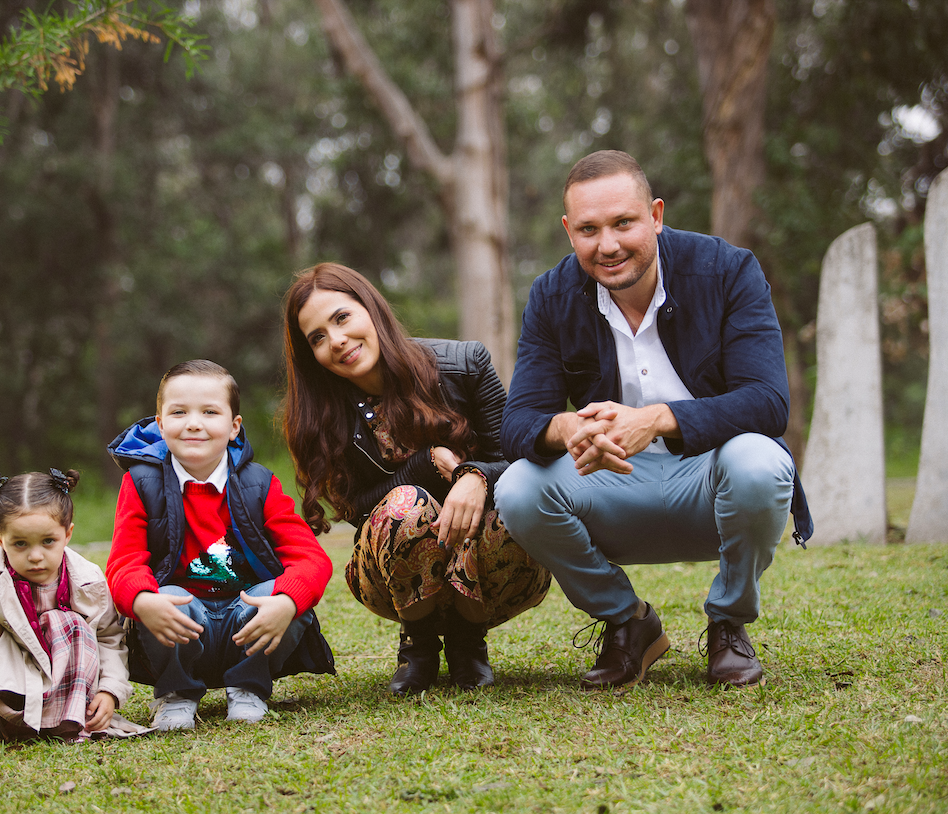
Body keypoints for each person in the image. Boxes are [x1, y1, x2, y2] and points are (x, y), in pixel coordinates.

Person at [495, 150, 813, 690]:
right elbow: (518, 422)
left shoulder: (729, 270)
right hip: (613, 485)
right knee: (519, 488)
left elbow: (767, 403)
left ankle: (728, 622)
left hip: (712, 483)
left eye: (624, 223)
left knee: (759, 460)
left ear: (656, 216)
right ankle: (628, 623)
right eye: (590, 230)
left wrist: (658, 418)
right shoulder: (552, 295)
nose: (609, 245)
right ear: (569, 232)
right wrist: (569, 428)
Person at [281, 263, 551, 696]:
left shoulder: (465, 364)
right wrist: (424, 465)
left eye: (342, 318)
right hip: (393, 581)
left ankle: (468, 643)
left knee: (504, 507)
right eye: (317, 337)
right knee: (405, 502)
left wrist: (473, 476)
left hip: (497, 569)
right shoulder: (321, 415)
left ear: (371, 309)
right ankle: (418, 646)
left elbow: (523, 461)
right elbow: (356, 510)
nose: (336, 341)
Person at [106, 360, 335, 731]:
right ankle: (176, 693)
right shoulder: (141, 483)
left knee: (286, 595)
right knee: (163, 593)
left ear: (234, 427)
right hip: (182, 620)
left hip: (246, 620)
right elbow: (124, 562)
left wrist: (286, 601)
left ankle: (248, 685)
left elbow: (312, 559)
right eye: (179, 412)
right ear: (161, 425)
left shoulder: (259, 483)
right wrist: (141, 600)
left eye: (210, 412)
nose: (194, 422)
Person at [0, 469, 139, 752]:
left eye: (48, 541)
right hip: (5, 692)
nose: (35, 556)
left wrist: (110, 691)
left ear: (67, 533)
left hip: (67, 691)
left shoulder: (87, 578)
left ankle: (67, 720)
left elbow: (109, 638)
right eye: (20, 544)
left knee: (72, 622)